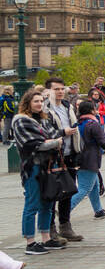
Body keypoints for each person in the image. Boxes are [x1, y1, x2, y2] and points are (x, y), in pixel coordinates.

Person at [13, 88, 64, 255]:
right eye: (36, 101)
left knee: (48, 203)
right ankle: (30, 242)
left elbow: (54, 133)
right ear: (28, 103)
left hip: (47, 166)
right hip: (32, 167)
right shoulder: (21, 121)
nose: (39, 104)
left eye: (41, 101)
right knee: (32, 204)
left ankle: (46, 238)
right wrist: (54, 142)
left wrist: (52, 140)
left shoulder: (43, 119)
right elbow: (34, 144)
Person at [44, 77, 85, 244]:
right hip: (53, 156)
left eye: (62, 88)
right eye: (56, 89)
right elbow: (45, 131)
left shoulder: (67, 106)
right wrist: (63, 132)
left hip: (69, 154)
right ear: (49, 91)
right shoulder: (45, 108)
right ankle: (50, 229)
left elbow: (75, 128)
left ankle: (65, 226)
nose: (60, 91)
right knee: (53, 193)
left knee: (68, 191)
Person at [68, 99, 105, 222]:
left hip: (79, 158)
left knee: (94, 185)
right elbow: (103, 141)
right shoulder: (93, 124)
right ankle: (65, 210)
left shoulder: (77, 123)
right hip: (90, 159)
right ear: (91, 110)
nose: (97, 110)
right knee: (84, 188)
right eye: (95, 108)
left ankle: (98, 210)